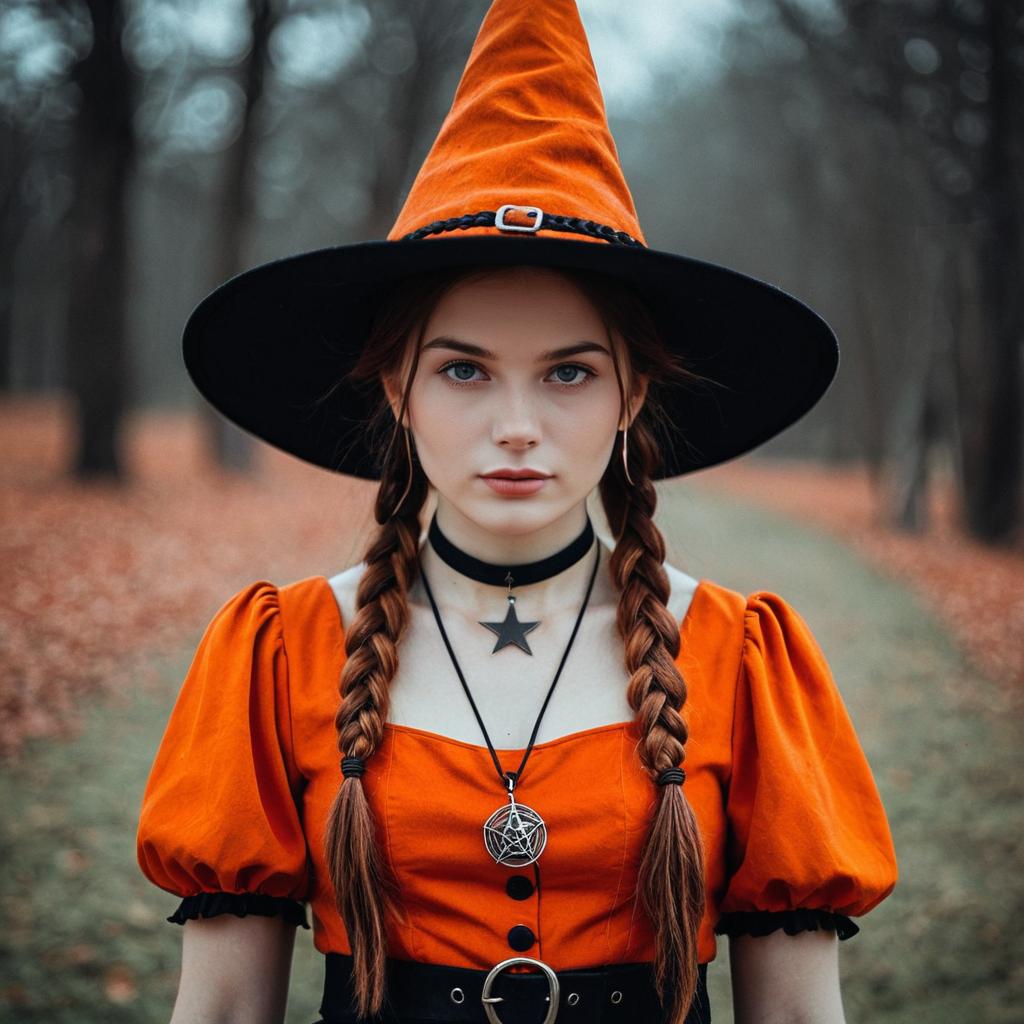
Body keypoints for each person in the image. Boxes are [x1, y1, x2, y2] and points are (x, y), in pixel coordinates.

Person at [136, 2, 899, 1023]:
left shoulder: (740, 660)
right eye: (463, 370)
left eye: (569, 373)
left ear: (631, 395)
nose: (516, 428)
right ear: (398, 391)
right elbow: (225, 1008)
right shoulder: (281, 652)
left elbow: (799, 1014)